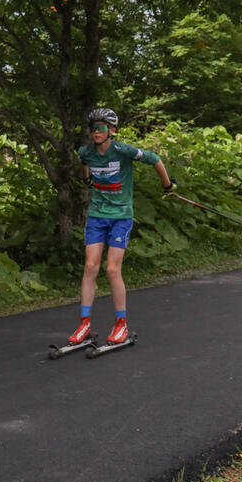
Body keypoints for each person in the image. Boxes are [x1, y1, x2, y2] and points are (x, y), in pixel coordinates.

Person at [68, 107, 175, 346]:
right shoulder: (86, 152)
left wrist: (167, 186)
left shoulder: (123, 151)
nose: (96, 132)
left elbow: (155, 160)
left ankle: (121, 324)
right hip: (97, 215)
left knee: (112, 269)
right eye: (93, 128)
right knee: (90, 267)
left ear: (112, 130)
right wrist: (87, 178)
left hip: (121, 216)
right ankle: (84, 324)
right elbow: (83, 162)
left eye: (102, 128)